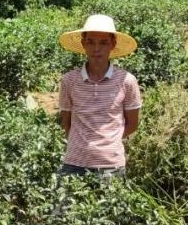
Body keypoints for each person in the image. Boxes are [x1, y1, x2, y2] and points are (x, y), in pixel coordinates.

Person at [57, 14, 142, 179]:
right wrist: (82, 144)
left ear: (113, 44)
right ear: (83, 44)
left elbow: (132, 124)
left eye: (103, 43)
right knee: (62, 205)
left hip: (111, 166)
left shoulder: (126, 81)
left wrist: (108, 141)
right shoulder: (69, 80)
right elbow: (67, 123)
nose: (96, 49)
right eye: (91, 42)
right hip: (74, 163)